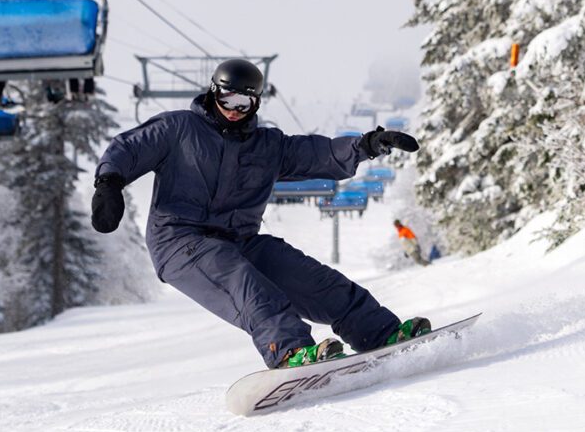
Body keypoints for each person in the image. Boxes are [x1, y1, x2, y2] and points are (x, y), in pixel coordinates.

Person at [92, 59, 430, 369]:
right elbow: (129, 147)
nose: (234, 110)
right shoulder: (178, 128)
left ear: (256, 103)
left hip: (241, 240)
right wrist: (109, 182)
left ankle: (381, 333)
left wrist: (368, 144)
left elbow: (319, 153)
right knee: (247, 285)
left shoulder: (268, 145)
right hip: (180, 241)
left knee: (317, 280)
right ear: (213, 93)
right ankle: (288, 351)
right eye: (227, 100)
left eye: (244, 103)